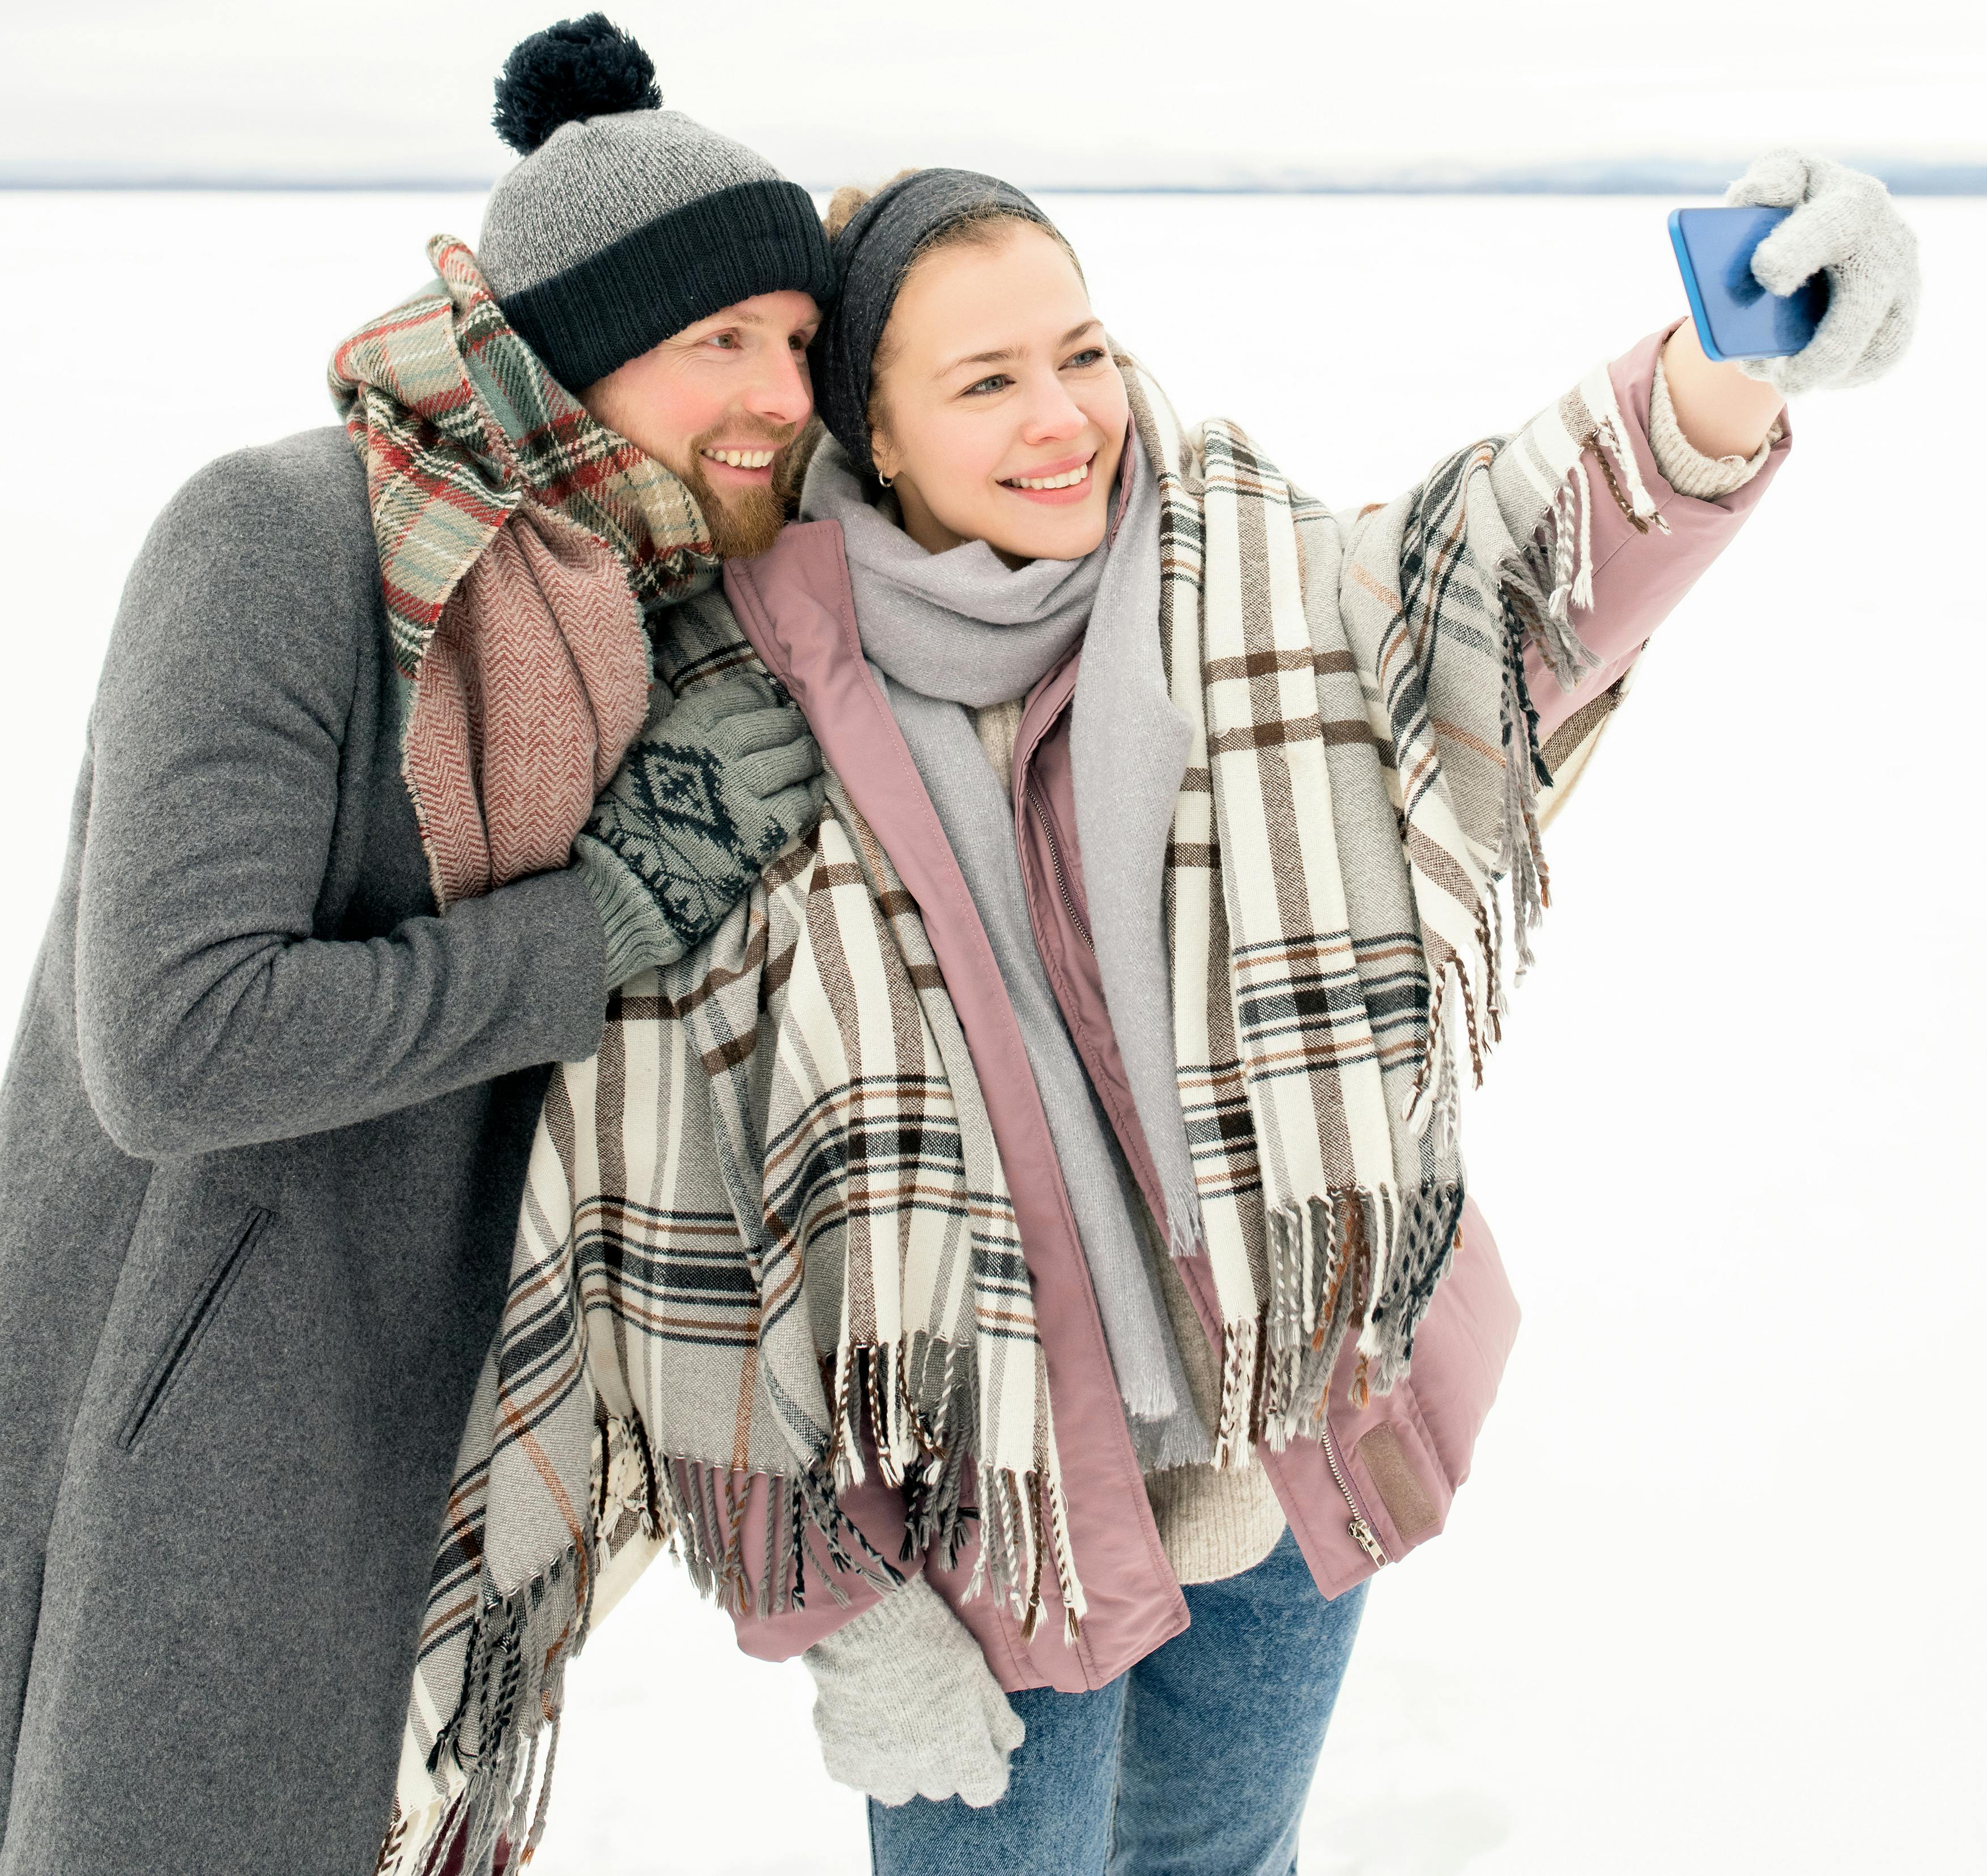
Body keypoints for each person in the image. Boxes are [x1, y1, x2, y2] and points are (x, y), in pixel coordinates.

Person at [398, 147, 1917, 1876]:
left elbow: (1492, 572)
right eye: (985, 379)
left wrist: (1722, 371)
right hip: (987, 1516)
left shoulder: (1239, 581)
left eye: (1081, 350)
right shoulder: (736, 722)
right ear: (870, 432)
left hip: (1285, 1429)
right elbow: (689, 1211)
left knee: (1225, 1859)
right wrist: (843, 1613)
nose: (1064, 417)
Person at [0, 16, 836, 1876]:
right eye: (721, 337)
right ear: (571, 342)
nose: (780, 385)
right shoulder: (280, 539)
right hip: (199, 1404)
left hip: (459, 1405)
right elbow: (176, 1042)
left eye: (798, 337)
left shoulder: (664, 597)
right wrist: (601, 916)